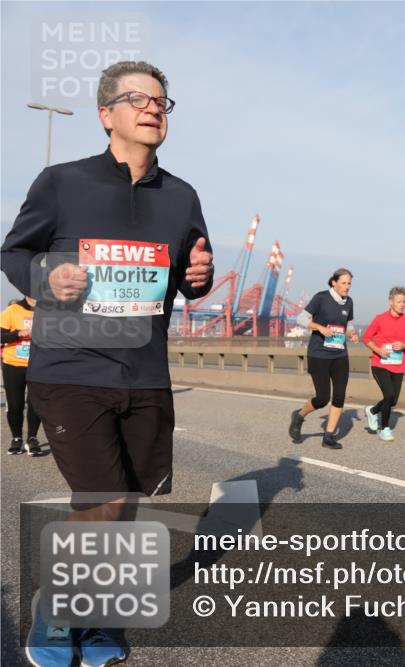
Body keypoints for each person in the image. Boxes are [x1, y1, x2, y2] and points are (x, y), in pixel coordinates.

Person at [1, 60, 213, 667]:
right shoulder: (62, 182)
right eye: (138, 99)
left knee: (128, 506)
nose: (153, 107)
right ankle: (56, 613)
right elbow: (14, 252)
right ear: (106, 115)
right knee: (105, 500)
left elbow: (190, 271)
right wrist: (46, 274)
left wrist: (199, 277)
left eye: (161, 101)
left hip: (144, 373)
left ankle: (93, 621)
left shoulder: (182, 196)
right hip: (70, 368)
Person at [288, 268, 359, 449]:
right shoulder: (321, 298)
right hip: (319, 354)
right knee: (322, 398)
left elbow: (349, 323)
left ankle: (328, 437)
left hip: (340, 354)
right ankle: (299, 416)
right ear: (334, 282)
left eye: (349, 283)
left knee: (340, 396)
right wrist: (319, 327)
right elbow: (301, 319)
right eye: (343, 283)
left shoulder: (349, 302)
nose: (347, 287)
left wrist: (351, 333)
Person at [362, 287, 405, 442]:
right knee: (388, 395)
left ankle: (372, 411)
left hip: (398, 366)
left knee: (392, 401)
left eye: (404, 302)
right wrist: (378, 350)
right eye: (399, 301)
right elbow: (366, 338)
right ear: (390, 301)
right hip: (380, 364)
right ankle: (385, 429)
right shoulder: (379, 319)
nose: (402, 304)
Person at [1, 295, 42, 455]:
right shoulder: (12, 310)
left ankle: (32, 438)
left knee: (35, 404)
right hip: (14, 365)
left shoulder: (46, 311)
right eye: (31, 294)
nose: (35, 298)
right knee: (15, 404)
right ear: (25, 294)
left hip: (38, 365)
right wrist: (18, 334)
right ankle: (16, 438)